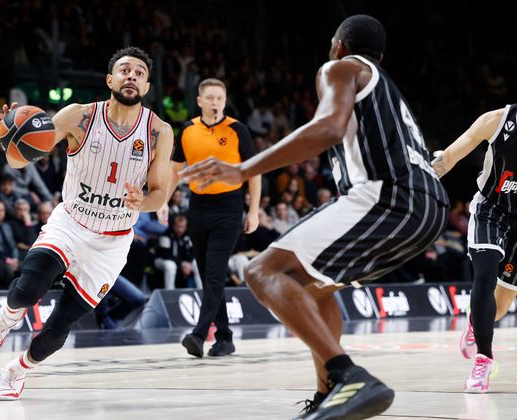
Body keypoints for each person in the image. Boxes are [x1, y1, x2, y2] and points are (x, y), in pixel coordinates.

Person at [181, 15, 449, 420]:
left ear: (339, 45)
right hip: (428, 208)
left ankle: (348, 376)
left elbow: (328, 127)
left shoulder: (341, 68)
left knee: (262, 271)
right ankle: (329, 396)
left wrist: (243, 169)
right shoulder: (387, 90)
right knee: (316, 288)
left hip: (387, 196)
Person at [0, 46, 173, 401]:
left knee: (60, 324)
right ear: (109, 79)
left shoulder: (159, 131)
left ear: (146, 86)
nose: (132, 76)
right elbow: (20, 161)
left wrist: (143, 202)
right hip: (71, 223)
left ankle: (16, 370)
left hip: (113, 241)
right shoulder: (78, 116)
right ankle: (7, 316)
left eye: (140, 73)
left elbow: (160, 193)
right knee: (28, 289)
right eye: (125, 70)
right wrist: (11, 134)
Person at [162, 77, 261, 358]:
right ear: (200, 101)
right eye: (210, 98)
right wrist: (163, 202)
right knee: (209, 276)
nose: (216, 103)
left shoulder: (237, 129)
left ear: (225, 101)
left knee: (215, 272)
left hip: (229, 207)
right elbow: (175, 170)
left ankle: (198, 334)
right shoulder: (187, 129)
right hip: (198, 206)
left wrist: (253, 211)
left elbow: (254, 172)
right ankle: (225, 338)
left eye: (220, 98)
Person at [432, 104, 517, 392]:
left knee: (500, 306)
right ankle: (484, 359)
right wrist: (422, 182)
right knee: (484, 273)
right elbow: (448, 158)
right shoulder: (497, 121)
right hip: (492, 210)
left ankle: (475, 322)